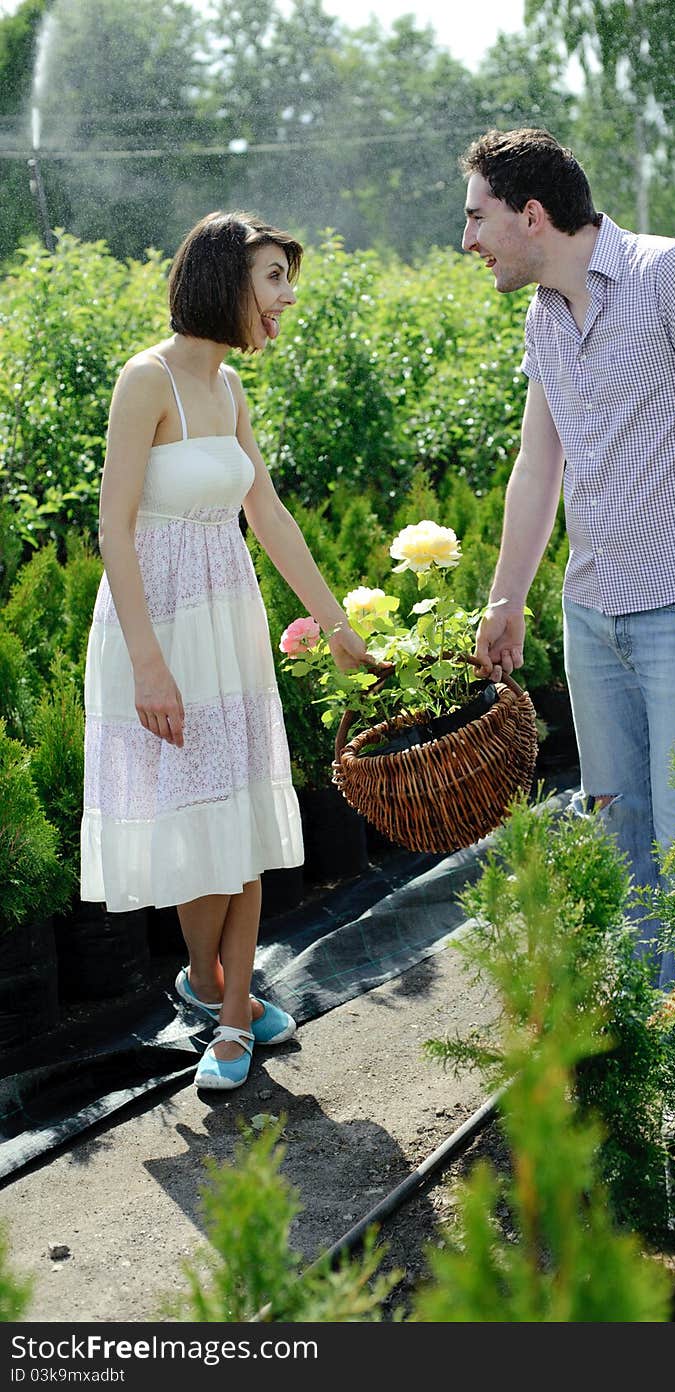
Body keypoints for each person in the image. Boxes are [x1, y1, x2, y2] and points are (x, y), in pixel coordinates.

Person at [465, 129, 675, 988]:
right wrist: (507, 598)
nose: (468, 242)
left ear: (532, 216)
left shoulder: (669, 274)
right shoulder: (543, 315)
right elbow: (539, 464)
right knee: (618, 837)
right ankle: (647, 1038)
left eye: (477, 217)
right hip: (593, 617)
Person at [80, 211, 369, 1088]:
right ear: (224, 281)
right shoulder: (150, 380)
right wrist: (149, 662)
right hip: (158, 626)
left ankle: (235, 1019)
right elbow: (113, 527)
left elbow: (268, 515)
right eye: (274, 278)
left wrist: (338, 625)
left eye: (288, 277)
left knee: (237, 805)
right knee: (190, 818)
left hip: (227, 613)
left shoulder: (233, 391)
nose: (286, 297)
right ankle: (208, 980)